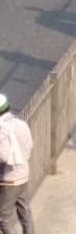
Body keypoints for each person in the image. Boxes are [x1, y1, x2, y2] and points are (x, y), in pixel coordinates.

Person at [0, 92, 34, 234]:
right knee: (24, 211)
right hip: (23, 173)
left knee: (3, 219)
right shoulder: (21, 123)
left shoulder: (2, 129)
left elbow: (3, 156)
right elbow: (29, 145)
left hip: (9, 179)